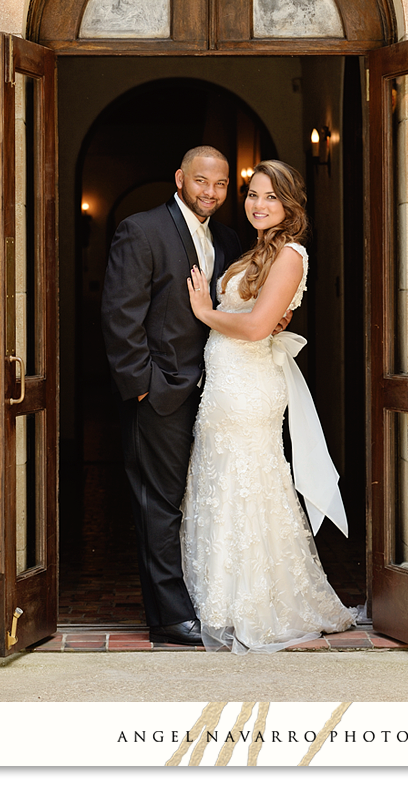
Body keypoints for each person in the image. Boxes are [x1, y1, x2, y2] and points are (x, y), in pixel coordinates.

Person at [181, 159, 357, 653]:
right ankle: (223, 600)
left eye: (271, 197)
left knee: (247, 483)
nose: (259, 205)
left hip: (249, 387)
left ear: (290, 205)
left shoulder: (291, 255)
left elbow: (258, 326)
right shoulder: (259, 249)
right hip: (224, 386)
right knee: (222, 482)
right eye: (253, 194)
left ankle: (258, 603)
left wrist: (205, 312)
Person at [100, 146, 244, 646]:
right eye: (202, 181)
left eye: (221, 184)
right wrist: (142, 387)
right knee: (159, 505)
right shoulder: (141, 230)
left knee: (203, 500)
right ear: (180, 177)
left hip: (216, 394)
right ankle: (167, 616)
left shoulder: (227, 238)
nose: (211, 192)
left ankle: (208, 600)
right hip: (159, 395)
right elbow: (120, 317)